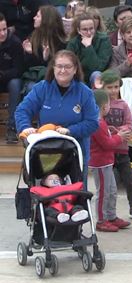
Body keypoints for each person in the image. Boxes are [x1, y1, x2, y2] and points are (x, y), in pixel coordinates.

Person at [16, 50, 99, 179]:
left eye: (67, 67)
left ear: (75, 69)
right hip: (47, 151)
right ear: (53, 68)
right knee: (49, 193)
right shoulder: (42, 88)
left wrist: (70, 131)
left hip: (75, 153)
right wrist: (25, 127)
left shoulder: (85, 92)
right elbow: (22, 110)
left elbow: (92, 123)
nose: (62, 70)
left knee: (75, 194)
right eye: (59, 66)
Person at [89, 89, 132, 232]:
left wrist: (112, 131)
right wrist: (119, 136)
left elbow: (105, 137)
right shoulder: (98, 123)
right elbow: (106, 143)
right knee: (103, 192)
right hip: (100, 163)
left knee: (112, 190)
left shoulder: (101, 123)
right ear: (104, 107)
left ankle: (111, 216)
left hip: (107, 162)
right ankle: (101, 220)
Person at [99, 70, 132, 219]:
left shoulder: (123, 105)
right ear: (103, 88)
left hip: (122, 150)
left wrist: (120, 131)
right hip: (106, 151)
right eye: (110, 87)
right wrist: (114, 133)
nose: (114, 90)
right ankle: (108, 212)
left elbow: (129, 124)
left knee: (129, 180)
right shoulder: (101, 105)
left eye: (116, 87)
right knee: (110, 185)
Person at [21, 5, 67, 95]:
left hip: (53, 79)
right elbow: (26, 67)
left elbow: (60, 67)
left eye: (37, 16)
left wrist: (47, 59)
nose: (34, 18)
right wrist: (30, 53)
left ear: (46, 20)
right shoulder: (32, 37)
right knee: (32, 88)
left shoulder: (60, 42)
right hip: (34, 78)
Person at [66, 13, 112, 85]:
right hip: (78, 78)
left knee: (96, 74)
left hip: (97, 78)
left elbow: (98, 67)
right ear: (78, 30)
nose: (89, 32)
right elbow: (69, 64)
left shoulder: (103, 40)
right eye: (85, 29)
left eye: (91, 28)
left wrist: (88, 47)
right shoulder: (73, 43)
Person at [0, 12, 24, 143]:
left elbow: (19, 69)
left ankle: (12, 127)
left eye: (4, 29)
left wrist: (3, 75)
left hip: (10, 79)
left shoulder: (15, 42)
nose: (2, 33)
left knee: (15, 84)